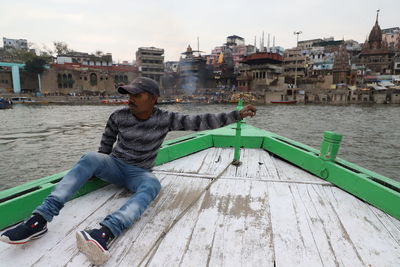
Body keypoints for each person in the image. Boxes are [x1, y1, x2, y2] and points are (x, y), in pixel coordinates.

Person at [0, 77, 257, 264]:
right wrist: (94, 166)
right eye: (128, 95)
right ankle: (39, 220)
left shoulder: (166, 118)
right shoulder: (118, 115)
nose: (130, 99)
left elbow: (202, 121)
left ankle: (105, 232)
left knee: (153, 185)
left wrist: (237, 115)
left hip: (138, 172)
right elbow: (105, 145)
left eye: (136, 95)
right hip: (115, 166)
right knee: (90, 157)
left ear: (153, 99)